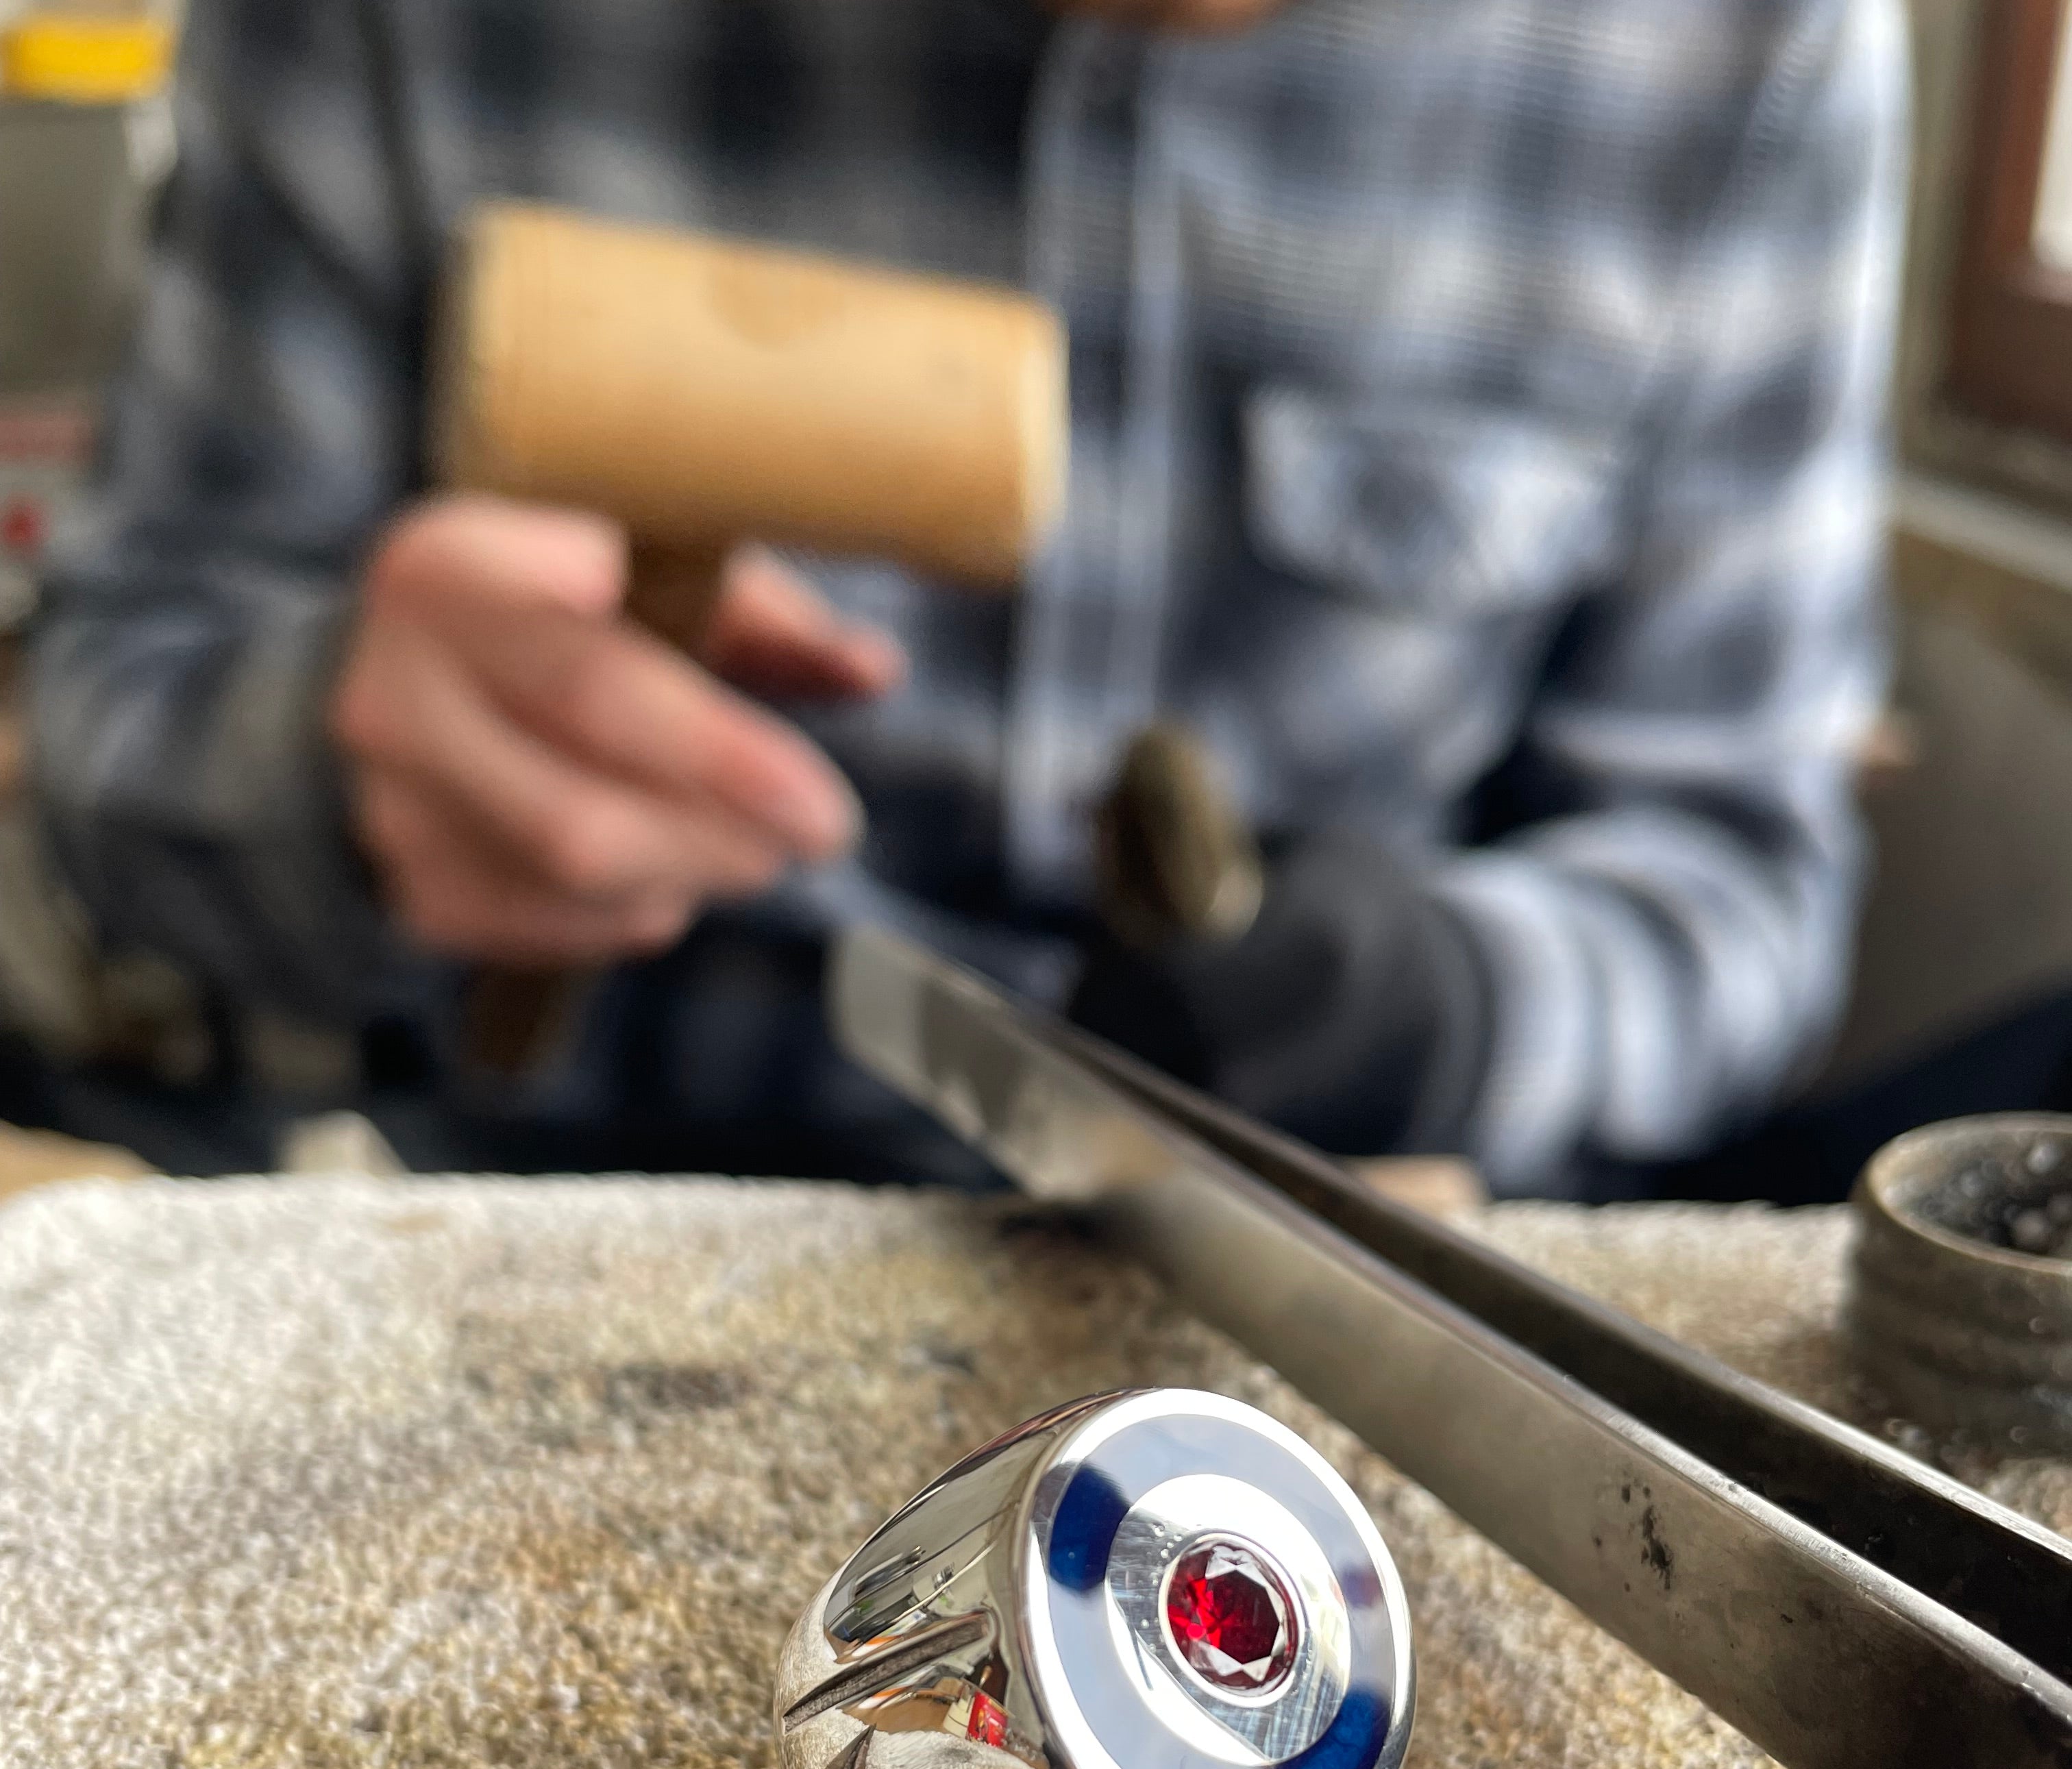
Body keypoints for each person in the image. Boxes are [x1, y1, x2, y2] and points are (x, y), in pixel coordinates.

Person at [27, 0, 1907, 1191]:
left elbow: (1739, 869)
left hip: (1315, 1240)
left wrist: (1471, 1006)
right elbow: (108, 722)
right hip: (550, 1178)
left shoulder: (1752, 48)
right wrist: (317, 767)